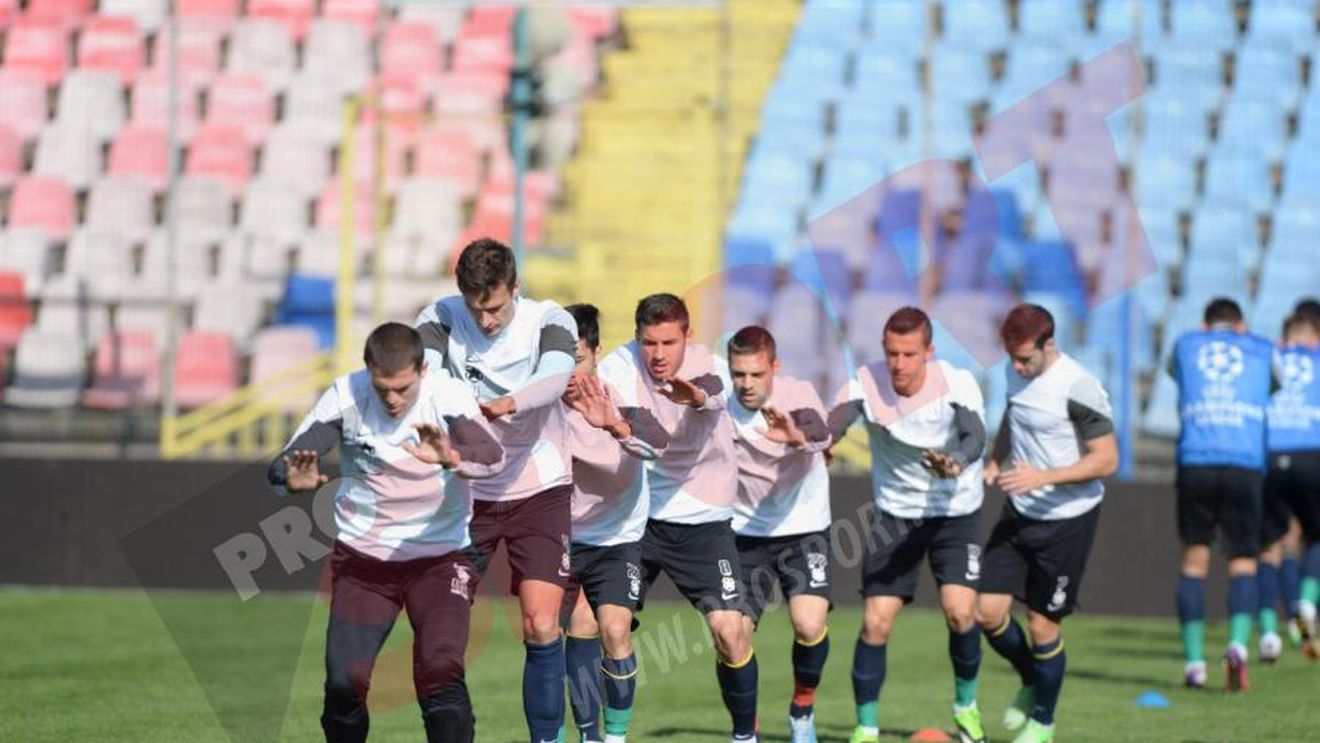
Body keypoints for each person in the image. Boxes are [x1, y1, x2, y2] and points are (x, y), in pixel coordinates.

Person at [266, 322, 505, 742]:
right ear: (367, 373)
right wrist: (289, 478)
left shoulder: (446, 395)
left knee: (441, 674)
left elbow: (491, 456)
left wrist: (450, 456)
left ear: (422, 371)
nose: (393, 400)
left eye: (403, 389)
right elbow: (283, 463)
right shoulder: (346, 395)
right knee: (344, 687)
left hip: (442, 558)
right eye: (383, 390)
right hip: (364, 562)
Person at [414, 238, 578, 741]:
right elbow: (428, 374)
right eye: (476, 308)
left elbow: (554, 377)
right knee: (440, 636)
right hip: (465, 494)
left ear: (516, 289)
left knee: (540, 623)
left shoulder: (550, 320)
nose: (485, 320)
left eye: (496, 307)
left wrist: (503, 405)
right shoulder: (439, 317)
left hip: (538, 487)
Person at [598, 293, 760, 742]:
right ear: (637, 338)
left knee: (730, 633)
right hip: (637, 517)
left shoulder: (710, 364)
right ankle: (609, 737)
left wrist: (696, 397)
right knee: (602, 626)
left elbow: (709, 390)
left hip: (704, 521)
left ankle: (746, 736)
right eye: (649, 343)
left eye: (669, 343)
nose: (658, 354)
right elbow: (637, 427)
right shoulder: (617, 368)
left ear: (687, 336)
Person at [828, 307, 988, 743]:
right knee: (876, 622)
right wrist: (820, 441)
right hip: (895, 515)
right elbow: (834, 423)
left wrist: (954, 461)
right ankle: (866, 727)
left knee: (960, 611)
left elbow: (974, 436)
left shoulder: (956, 383)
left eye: (909, 354)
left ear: (928, 352)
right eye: (891, 353)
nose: (898, 364)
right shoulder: (865, 382)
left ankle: (966, 709)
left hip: (955, 513)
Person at [975, 303, 1117, 743]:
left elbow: (1107, 460)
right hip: (1020, 513)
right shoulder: (1015, 374)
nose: (1017, 367)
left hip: (1067, 521)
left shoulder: (1079, 386)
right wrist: (995, 459)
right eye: (1011, 359)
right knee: (986, 613)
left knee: (1041, 625)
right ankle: (1033, 678)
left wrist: (1043, 477)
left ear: (1049, 344)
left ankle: (1043, 720)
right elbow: (1013, 415)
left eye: (1025, 359)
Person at [559, 304, 670, 743]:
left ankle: (615, 737)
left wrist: (615, 427)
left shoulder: (622, 393)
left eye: (578, 357)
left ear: (597, 352)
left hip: (618, 537)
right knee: (573, 629)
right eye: (559, 358)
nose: (568, 370)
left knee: (614, 628)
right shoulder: (539, 405)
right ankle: (588, 735)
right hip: (564, 538)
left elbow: (657, 446)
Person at [725, 326, 833, 743]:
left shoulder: (798, 393)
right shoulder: (720, 405)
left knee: (808, 625)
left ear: (775, 367)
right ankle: (745, 729)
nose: (746, 384)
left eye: (755, 374)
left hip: (803, 527)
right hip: (743, 533)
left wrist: (797, 437)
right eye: (739, 374)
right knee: (730, 636)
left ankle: (802, 710)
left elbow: (821, 433)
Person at [1167, 297, 1273, 691]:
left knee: (1194, 561)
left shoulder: (1185, 345)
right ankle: (1238, 648)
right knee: (1243, 561)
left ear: (1205, 323)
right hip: (1244, 463)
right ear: (1241, 325)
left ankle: (1195, 664)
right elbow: (1272, 388)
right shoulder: (1261, 348)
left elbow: (1176, 376)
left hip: (1196, 460)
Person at [1260, 313, 1320, 659]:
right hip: (1312, 455)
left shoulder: (1269, 356)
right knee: (1313, 536)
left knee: (1273, 547)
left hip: (1271, 454)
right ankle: (1307, 609)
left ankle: (1272, 634)